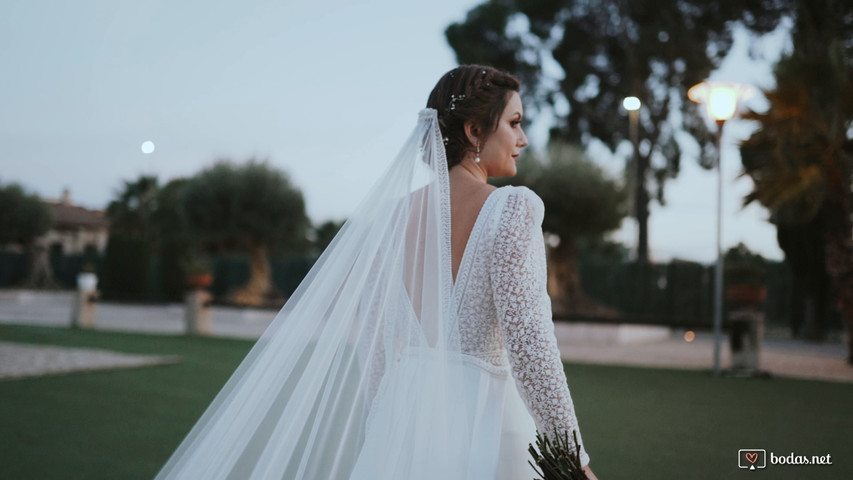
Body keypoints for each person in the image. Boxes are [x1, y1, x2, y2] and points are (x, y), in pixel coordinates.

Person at [154, 65, 597, 480]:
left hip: (399, 423)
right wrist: (571, 460)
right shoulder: (511, 210)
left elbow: (374, 343)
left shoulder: (389, 220)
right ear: (474, 130)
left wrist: (388, 431)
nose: (523, 138)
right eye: (514, 122)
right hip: (486, 423)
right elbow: (531, 346)